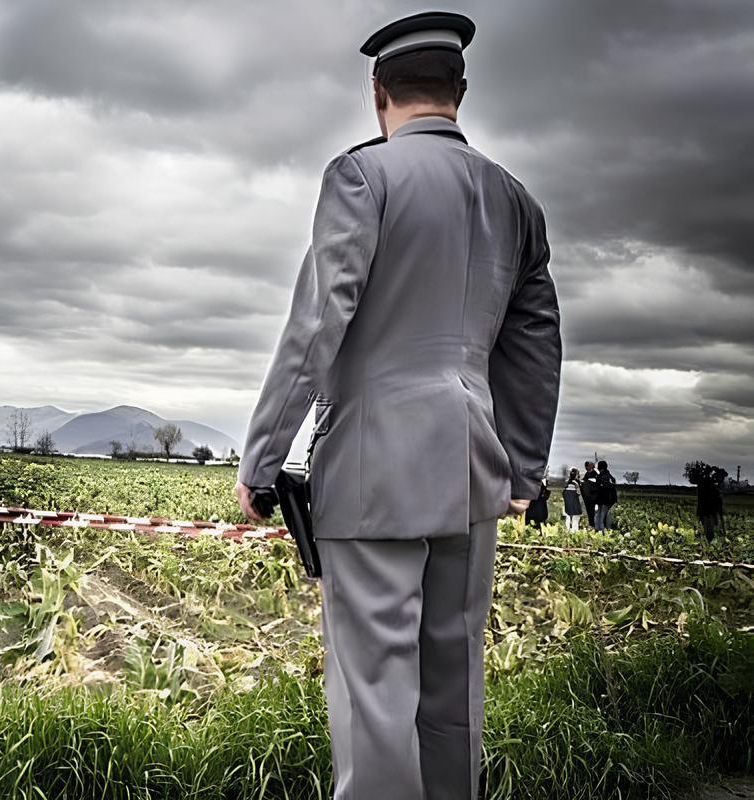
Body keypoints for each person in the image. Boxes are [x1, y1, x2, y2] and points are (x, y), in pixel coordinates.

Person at [233, 11, 561, 798]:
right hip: (474, 472)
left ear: (378, 93)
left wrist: (263, 457)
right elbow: (537, 338)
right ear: (461, 92)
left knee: (376, 695)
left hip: (374, 473)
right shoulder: (515, 200)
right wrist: (524, 467)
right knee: (454, 689)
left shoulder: (360, 176)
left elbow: (319, 320)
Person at [697, 467, 727, 542]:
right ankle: (711, 537)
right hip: (709, 505)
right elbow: (711, 494)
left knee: (709, 521)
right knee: (710, 521)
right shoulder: (710, 482)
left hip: (708, 505)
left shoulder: (706, 481)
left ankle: (711, 536)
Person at [594, 459, 617, 530]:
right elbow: (613, 485)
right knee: (604, 513)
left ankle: (599, 528)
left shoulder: (600, 476)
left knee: (600, 513)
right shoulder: (610, 476)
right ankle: (603, 528)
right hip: (608, 498)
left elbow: (597, 487)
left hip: (602, 497)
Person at [581, 459, 599, 527]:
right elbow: (584, 480)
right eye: (586, 466)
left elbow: (597, 482)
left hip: (594, 496)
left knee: (594, 511)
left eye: (587, 466)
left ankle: (595, 524)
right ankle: (591, 524)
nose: (586, 467)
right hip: (588, 497)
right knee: (590, 511)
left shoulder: (595, 473)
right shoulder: (587, 474)